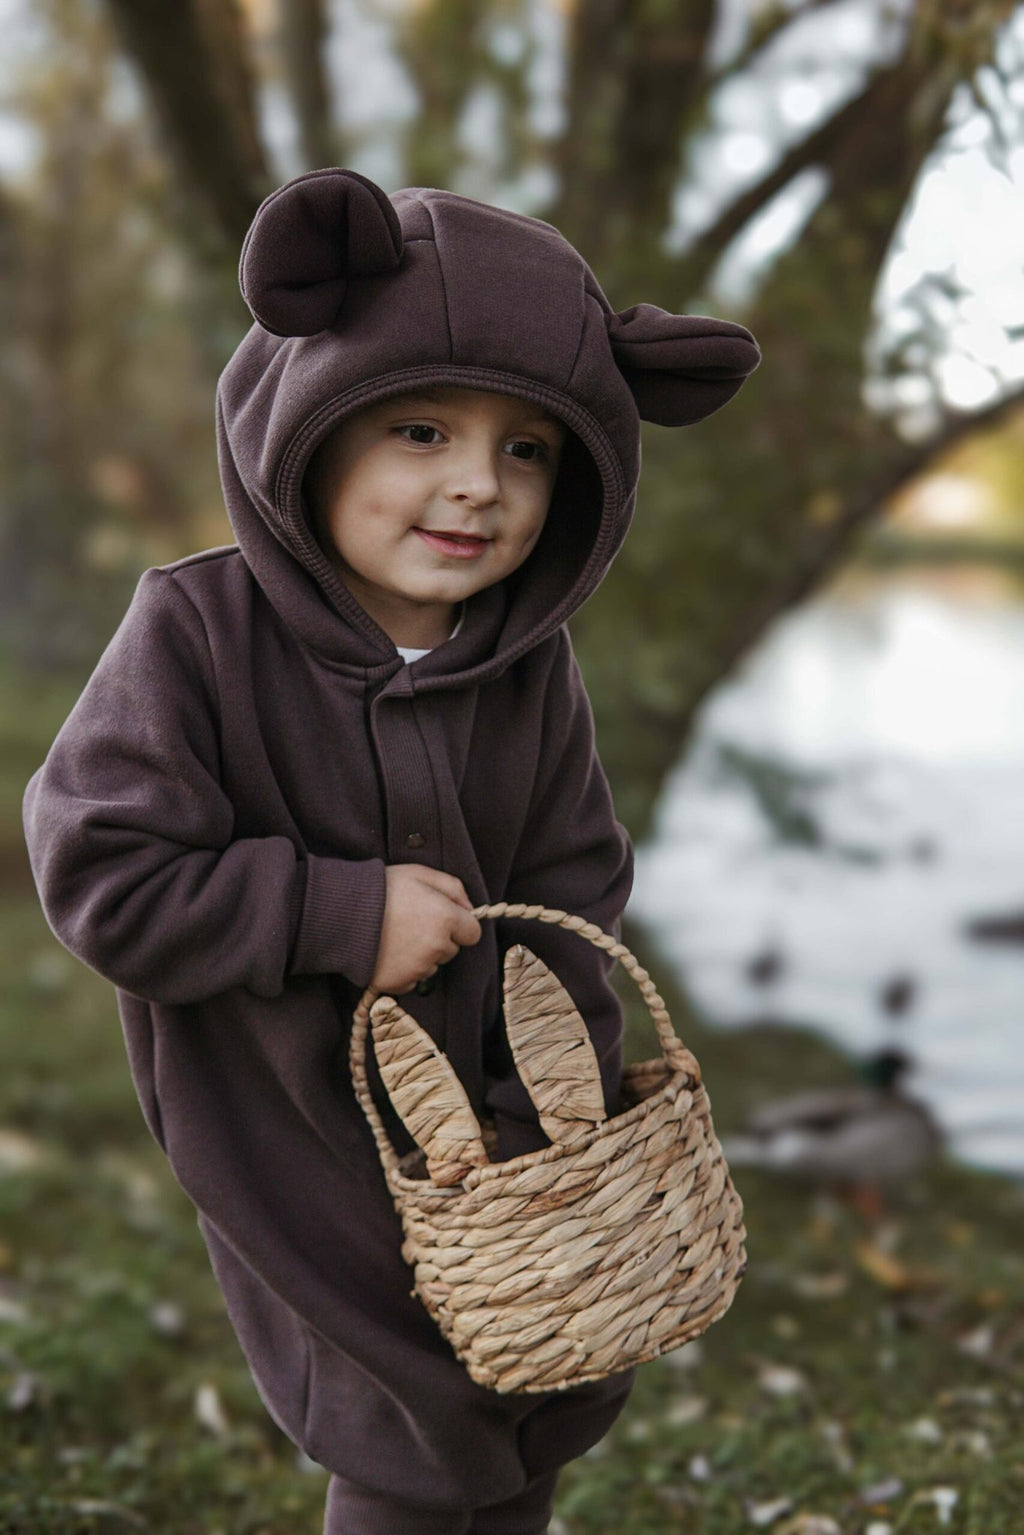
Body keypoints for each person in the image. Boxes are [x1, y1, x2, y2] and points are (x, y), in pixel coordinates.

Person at [22, 167, 760, 1535]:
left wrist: (557, 1106)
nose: (477, 485)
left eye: (529, 449)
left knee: (535, 1395)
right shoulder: (196, 633)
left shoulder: (528, 671)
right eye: (420, 429)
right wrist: (331, 915)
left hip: (508, 1143)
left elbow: (577, 879)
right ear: (307, 425)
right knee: (403, 1439)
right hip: (299, 1134)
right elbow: (101, 871)